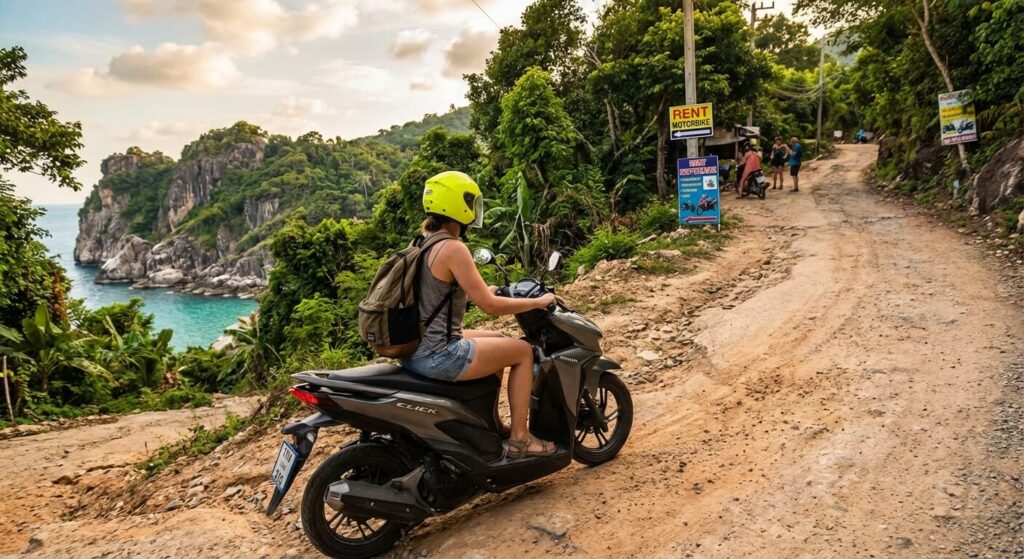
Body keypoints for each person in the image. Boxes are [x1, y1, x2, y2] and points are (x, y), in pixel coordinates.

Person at [401, 171, 558, 458]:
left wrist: (486, 290)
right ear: (457, 205)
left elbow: (439, 293)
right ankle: (521, 439)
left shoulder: (422, 241)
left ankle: (492, 424)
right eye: (471, 202)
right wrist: (537, 303)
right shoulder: (453, 248)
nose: (474, 210)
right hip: (438, 354)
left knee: (497, 339)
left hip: (417, 346)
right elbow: (491, 307)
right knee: (522, 351)